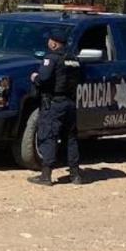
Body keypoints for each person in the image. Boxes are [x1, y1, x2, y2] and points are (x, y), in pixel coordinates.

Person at [28, 29, 82, 186]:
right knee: (71, 139)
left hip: (54, 103)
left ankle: (46, 175)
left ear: (54, 43)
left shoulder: (51, 58)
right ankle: (75, 175)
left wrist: (35, 77)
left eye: (49, 40)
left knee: (48, 136)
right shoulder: (74, 59)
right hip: (70, 103)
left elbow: (44, 78)